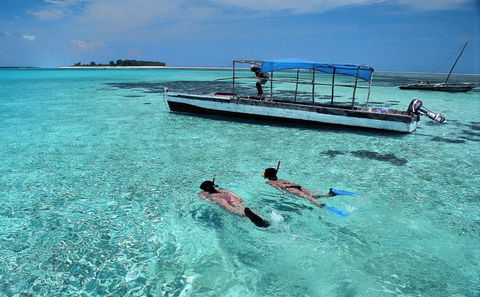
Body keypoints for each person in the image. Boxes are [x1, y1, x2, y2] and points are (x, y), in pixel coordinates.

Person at [198, 180, 270, 228]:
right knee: (241, 206)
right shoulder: (221, 190)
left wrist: (213, 202)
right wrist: (238, 197)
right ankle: (262, 217)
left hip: (219, 199)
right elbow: (229, 192)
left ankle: (244, 214)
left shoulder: (202, 193)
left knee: (230, 208)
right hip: (228, 197)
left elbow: (205, 199)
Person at [262, 168, 334, 208]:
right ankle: (327, 195)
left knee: (307, 197)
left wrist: (283, 192)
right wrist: (297, 186)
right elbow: (292, 183)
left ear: (267, 176)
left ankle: (319, 204)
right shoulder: (281, 179)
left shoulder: (270, 182)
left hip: (289, 188)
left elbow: (278, 187)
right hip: (296, 186)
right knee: (312, 194)